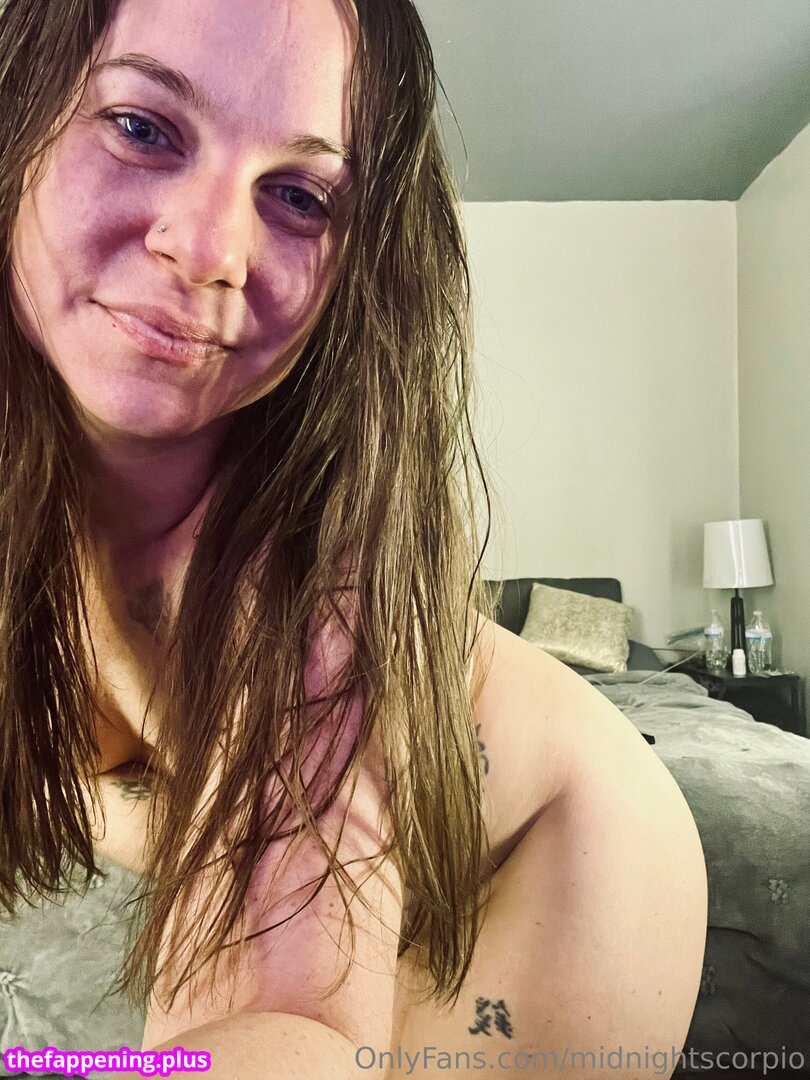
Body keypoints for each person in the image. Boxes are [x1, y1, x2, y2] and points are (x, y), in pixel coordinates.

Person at [0, 0, 707, 1077]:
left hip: (542, 850)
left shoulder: (309, 581)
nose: (209, 250)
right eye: (142, 128)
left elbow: (301, 1041)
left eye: (299, 196)